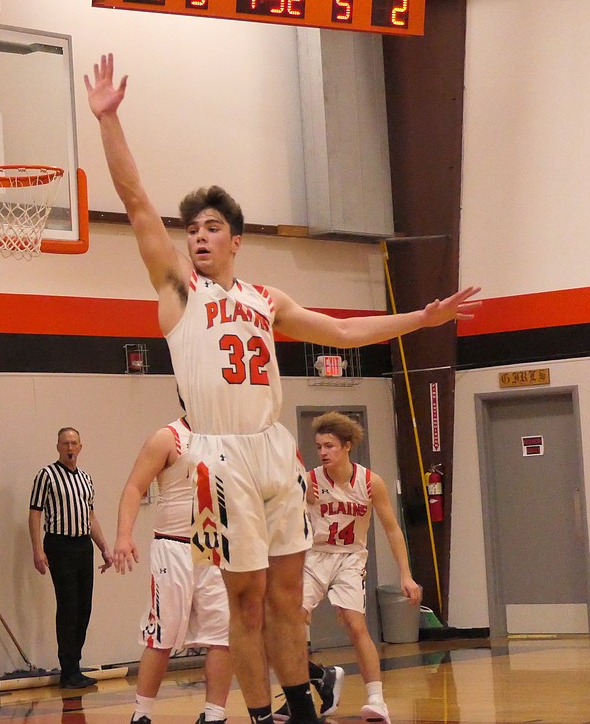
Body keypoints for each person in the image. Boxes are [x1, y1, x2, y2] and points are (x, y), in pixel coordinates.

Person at [84, 53, 479, 724]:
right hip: (216, 458)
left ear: (235, 240)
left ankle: (300, 704)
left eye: (211, 228)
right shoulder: (179, 291)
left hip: (273, 449)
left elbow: (343, 331)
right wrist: (110, 120)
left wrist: (422, 317)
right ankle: (263, 713)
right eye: (194, 230)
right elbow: (136, 202)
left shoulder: (267, 298)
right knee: (243, 598)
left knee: (289, 594)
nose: (198, 237)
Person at [274, 412, 421, 724]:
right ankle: (300, 691)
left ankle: (376, 699)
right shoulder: (309, 481)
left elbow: (393, 530)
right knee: (290, 626)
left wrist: (405, 574)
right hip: (313, 557)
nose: (323, 452)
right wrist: (297, 493)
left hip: (351, 559)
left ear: (347, 446)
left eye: (329, 446)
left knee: (356, 625)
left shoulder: (370, 482)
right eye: (319, 447)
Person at [113, 414, 232, 724]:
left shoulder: (229, 436)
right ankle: (142, 715)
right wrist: (124, 536)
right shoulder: (168, 437)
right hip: (174, 546)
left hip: (217, 549)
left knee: (223, 636)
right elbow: (133, 488)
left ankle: (215, 715)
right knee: (162, 635)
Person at [29, 428, 114, 690]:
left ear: (80, 447)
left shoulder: (86, 478)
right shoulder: (46, 475)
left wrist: (104, 548)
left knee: (83, 606)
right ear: (57, 446)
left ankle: (75, 666)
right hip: (59, 544)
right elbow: (34, 514)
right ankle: (68, 670)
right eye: (65, 443)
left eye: (74, 443)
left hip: (82, 545)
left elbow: (90, 517)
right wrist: (37, 550)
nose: (69, 447)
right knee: (68, 605)